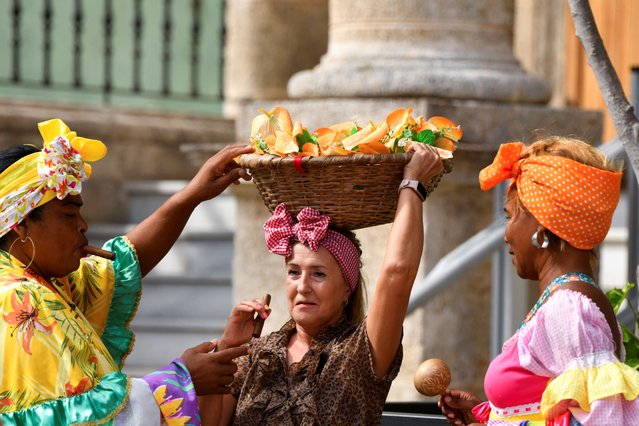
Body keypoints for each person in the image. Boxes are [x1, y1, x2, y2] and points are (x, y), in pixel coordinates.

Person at [0, 118, 253, 424]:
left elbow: (119, 267)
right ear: (22, 224)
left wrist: (192, 195)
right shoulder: (20, 300)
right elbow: (69, 418)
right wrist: (180, 380)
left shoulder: (44, 282)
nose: (83, 225)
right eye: (69, 214)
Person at [196, 143, 444, 425]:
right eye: (293, 272)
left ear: (346, 290)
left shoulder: (360, 351)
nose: (302, 286)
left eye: (318, 274)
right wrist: (226, 352)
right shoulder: (257, 354)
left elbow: (397, 272)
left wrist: (412, 185)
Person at [438, 137, 639, 425]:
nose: (506, 234)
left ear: (543, 225)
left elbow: (602, 418)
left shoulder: (569, 309)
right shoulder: (573, 301)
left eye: (510, 217)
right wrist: (490, 415)